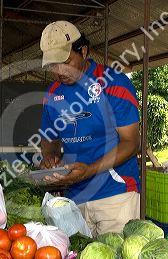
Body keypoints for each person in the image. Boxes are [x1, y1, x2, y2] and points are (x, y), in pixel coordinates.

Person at [39, 21, 140, 236]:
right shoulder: (52, 94)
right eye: (52, 66)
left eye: (65, 62)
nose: (59, 72)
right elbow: (50, 138)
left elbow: (131, 143)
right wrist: (50, 159)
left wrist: (90, 170)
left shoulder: (114, 84)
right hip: (74, 200)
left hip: (116, 196)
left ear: (83, 51)